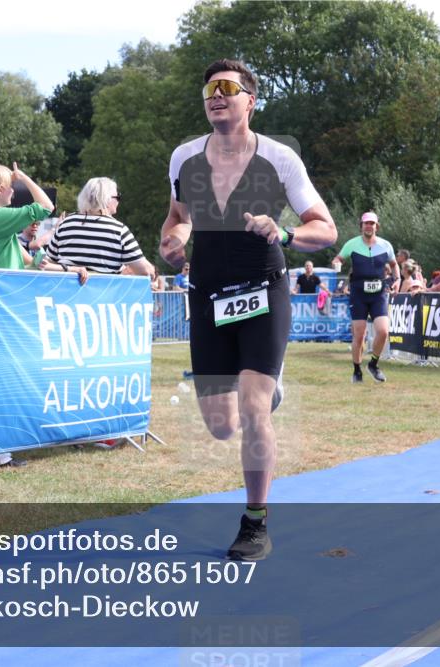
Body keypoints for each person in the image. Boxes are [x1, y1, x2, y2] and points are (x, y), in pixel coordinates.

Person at [159, 58, 336, 561]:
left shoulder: (279, 159)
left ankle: (255, 523)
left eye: (227, 88)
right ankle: (265, 390)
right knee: (221, 424)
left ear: (249, 100)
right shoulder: (184, 158)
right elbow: (177, 218)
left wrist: (283, 232)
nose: (216, 95)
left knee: (254, 408)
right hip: (208, 293)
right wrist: (173, 242)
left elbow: (325, 228)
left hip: (264, 289)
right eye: (209, 88)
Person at [0, 162, 88, 283]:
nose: (13, 191)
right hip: (3, 291)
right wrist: (24, 177)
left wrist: (71, 269)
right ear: (1, 190)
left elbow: (32, 262)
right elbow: (47, 207)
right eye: (10, 186)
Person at [333, 211, 398, 383]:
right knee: (359, 335)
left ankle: (373, 365)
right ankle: (357, 370)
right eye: (366, 223)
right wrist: (337, 264)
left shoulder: (385, 245)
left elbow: (394, 264)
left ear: (377, 226)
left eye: (372, 223)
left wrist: (396, 279)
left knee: (383, 331)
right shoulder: (352, 244)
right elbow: (338, 259)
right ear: (361, 226)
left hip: (379, 294)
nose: (369, 226)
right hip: (358, 294)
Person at [43, 177, 153, 275]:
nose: (118, 201)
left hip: (65, 293)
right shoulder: (119, 230)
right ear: (106, 199)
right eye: (117, 197)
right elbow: (145, 271)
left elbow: (47, 262)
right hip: (104, 295)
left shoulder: (65, 225)